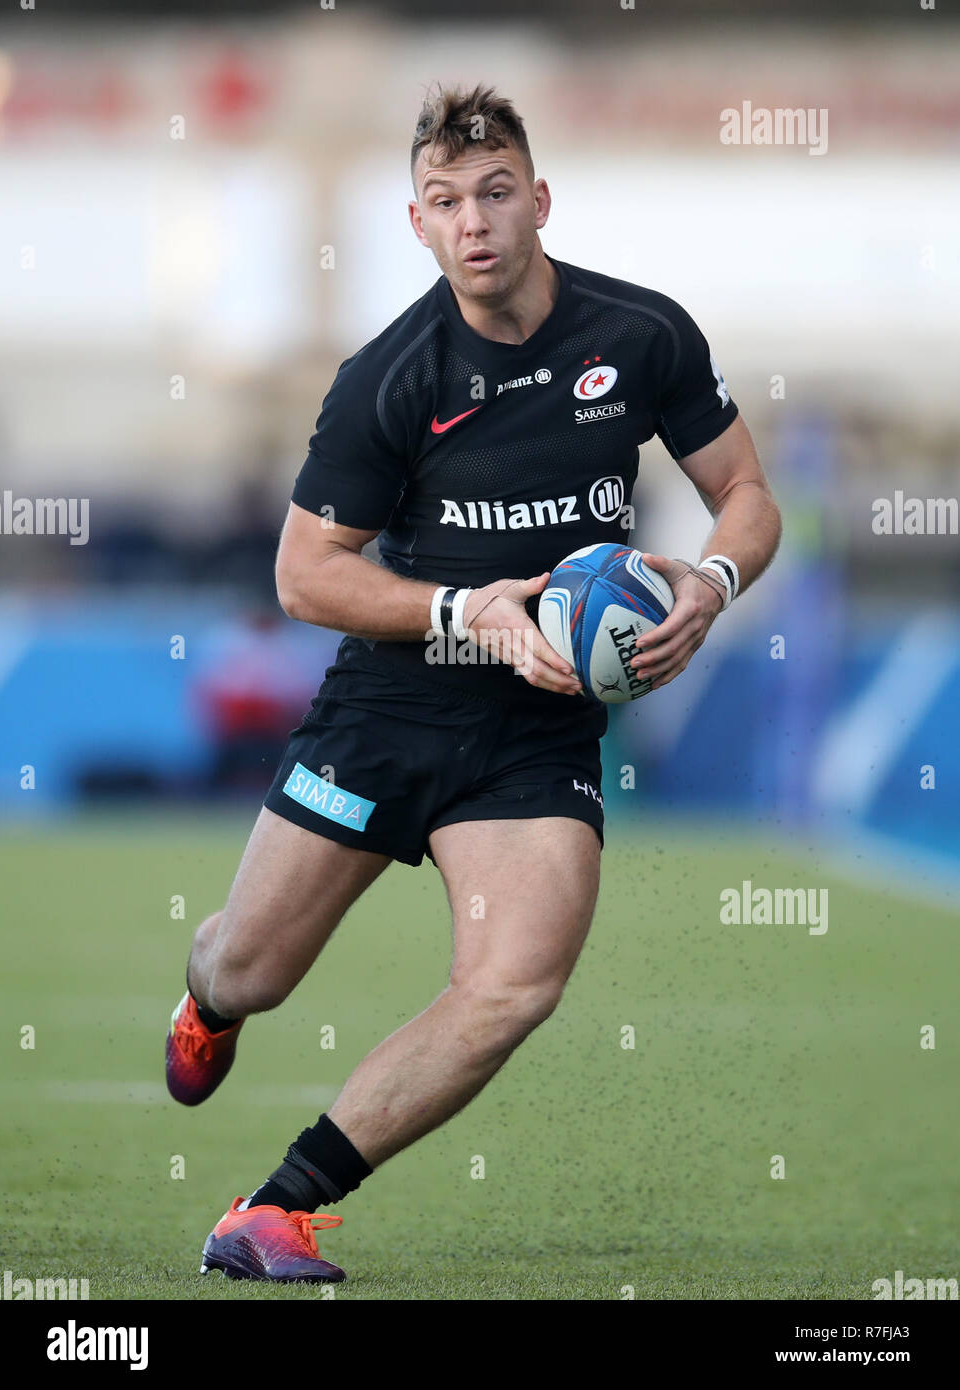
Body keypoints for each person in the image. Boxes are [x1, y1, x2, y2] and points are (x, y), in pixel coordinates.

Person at [165, 82, 782, 1284]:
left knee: (515, 982)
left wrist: (709, 582)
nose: (475, 222)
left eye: (496, 193)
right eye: (446, 202)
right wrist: (466, 610)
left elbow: (744, 494)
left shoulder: (640, 335)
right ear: (417, 223)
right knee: (250, 966)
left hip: (537, 729)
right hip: (390, 706)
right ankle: (209, 998)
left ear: (539, 199)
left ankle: (277, 1207)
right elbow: (305, 576)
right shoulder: (388, 377)